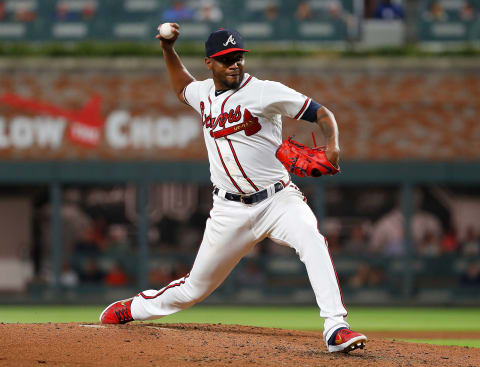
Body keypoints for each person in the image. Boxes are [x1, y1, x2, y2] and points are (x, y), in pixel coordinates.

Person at [100, 24, 367, 354]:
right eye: (226, 59)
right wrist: (168, 49)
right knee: (193, 290)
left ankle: (336, 327)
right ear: (210, 63)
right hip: (228, 210)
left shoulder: (264, 91)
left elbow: (321, 112)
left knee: (312, 238)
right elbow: (183, 85)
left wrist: (333, 144)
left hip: (277, 199)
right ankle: (136, 307)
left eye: (238, 57)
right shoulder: (203, 94)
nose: (234, 64)